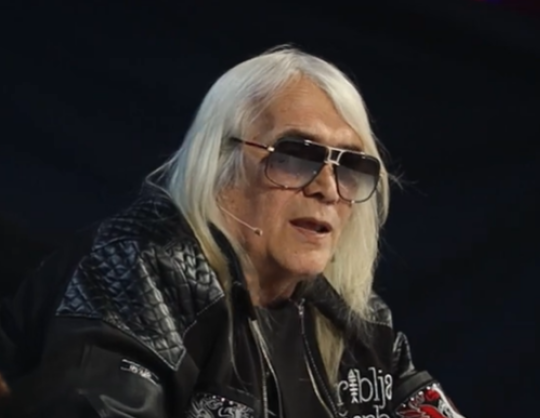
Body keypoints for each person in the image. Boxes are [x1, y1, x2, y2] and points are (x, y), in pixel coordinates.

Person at [0, 46, 465, 418]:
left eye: (350, 166)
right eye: (295, 155)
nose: (327, 187)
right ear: (220, 164)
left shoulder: (360, 324)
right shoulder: (141, 267)